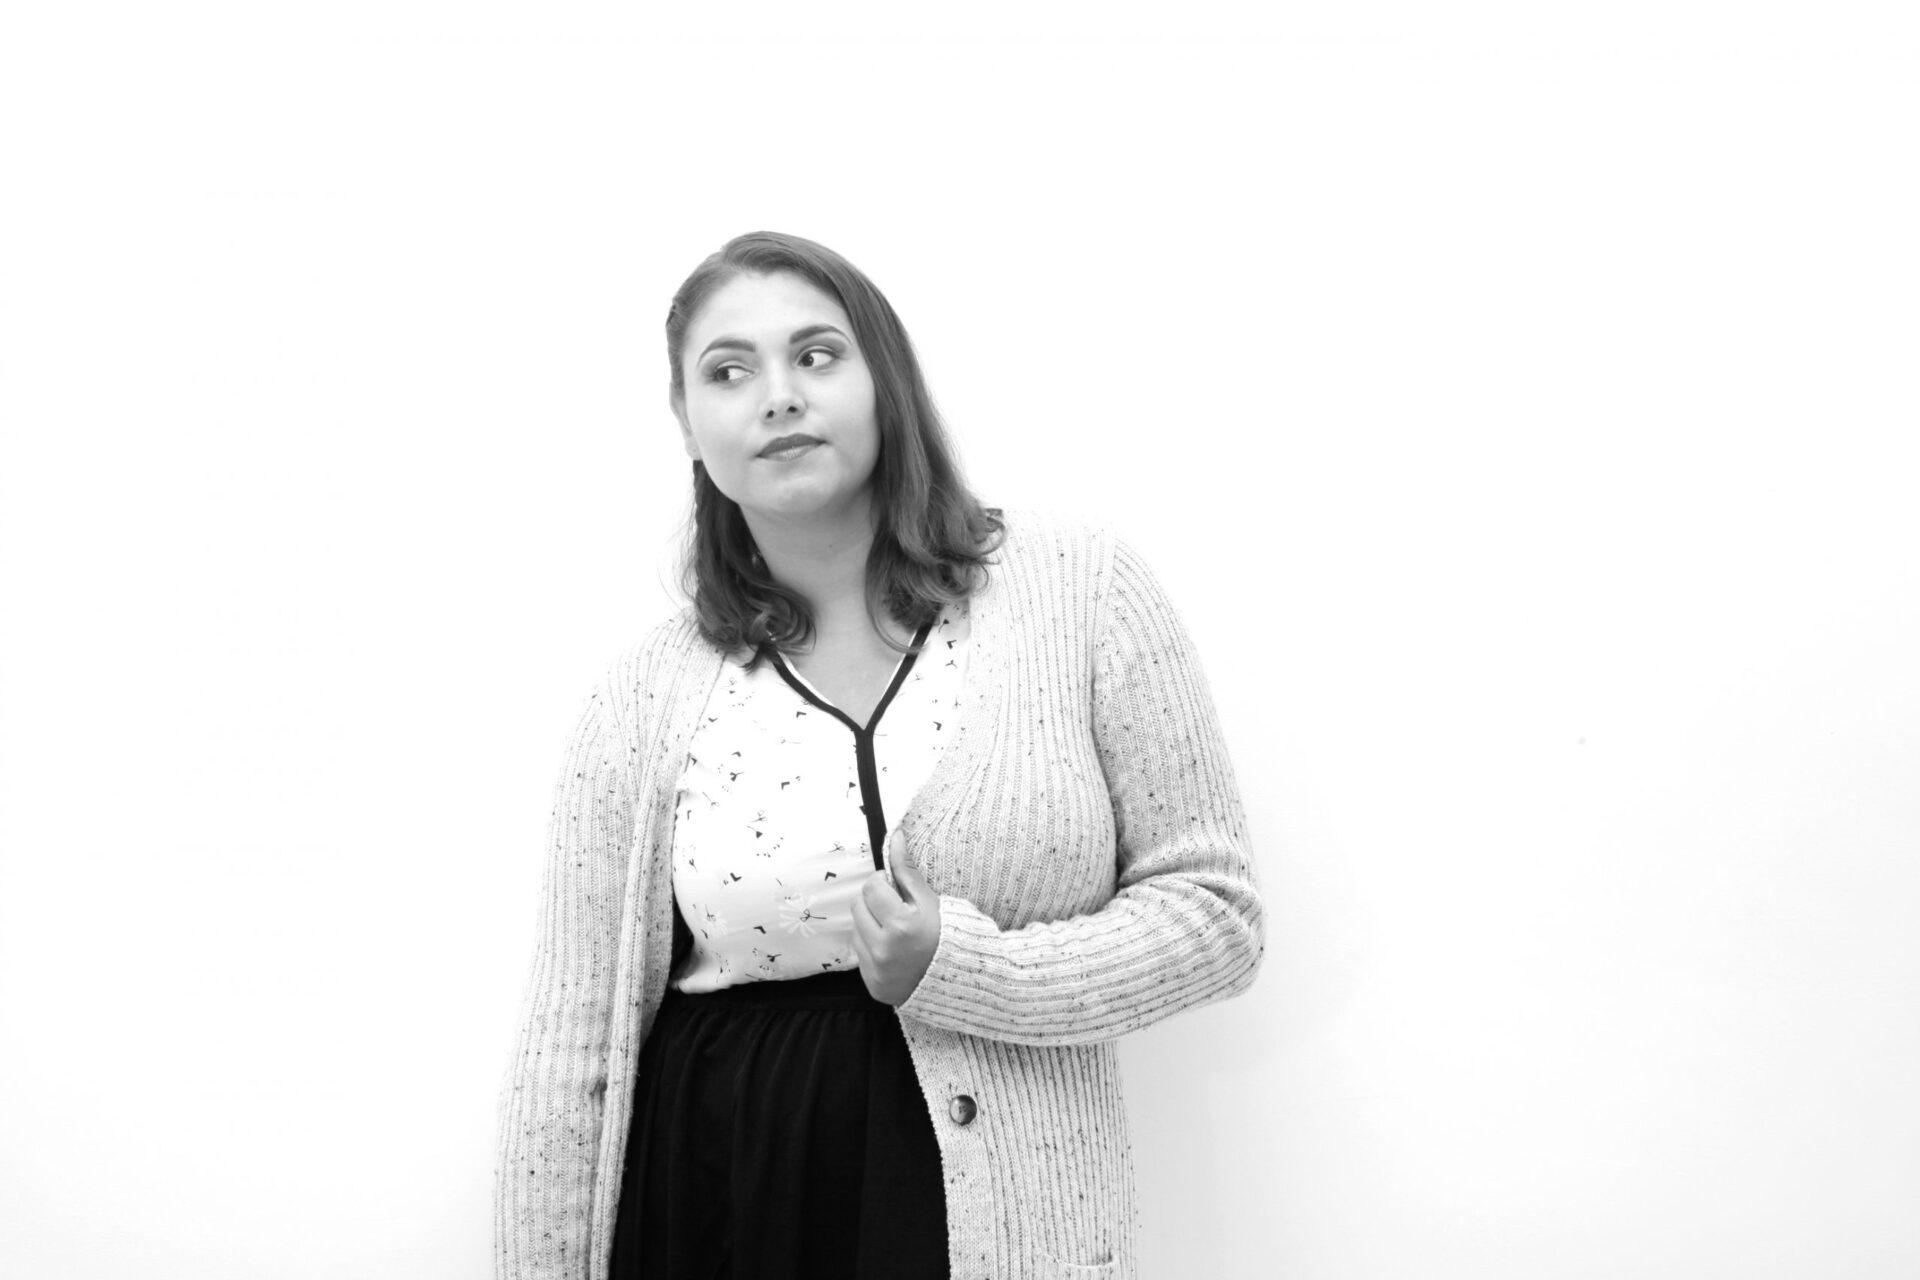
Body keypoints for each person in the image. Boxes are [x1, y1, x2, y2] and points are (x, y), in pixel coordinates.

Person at [494, 230, 1265, 1280]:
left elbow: (1215, 915)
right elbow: (573, 1047)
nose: (778, 396)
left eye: (817, 355)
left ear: (884, 379)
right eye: (729, 371)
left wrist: (971, 971)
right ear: (687, 421)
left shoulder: (1076, 587)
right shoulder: (640, 695)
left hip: (1009, 1220)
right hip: (721, 1202)